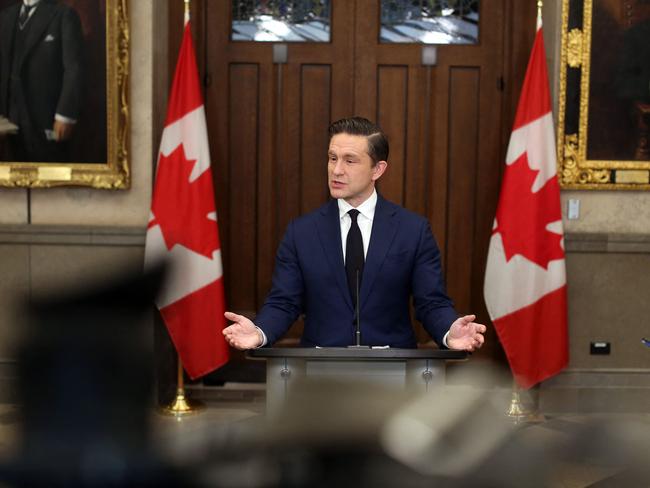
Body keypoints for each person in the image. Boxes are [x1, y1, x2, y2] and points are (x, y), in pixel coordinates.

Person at [223, 117, 485, 352]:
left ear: (378, 170)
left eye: (349, 160)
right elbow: (284, 302)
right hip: (320, 374)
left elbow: (431, 302)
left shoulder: (412, 230)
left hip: (392, 374)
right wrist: (258, 332)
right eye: (332, 158)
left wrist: (451, 333)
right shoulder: (301, 232)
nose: (336, 170)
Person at [0, 0, 83, 162]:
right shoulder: (5, 17)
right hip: (8, 117)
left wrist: (65, 116)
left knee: (48, 175)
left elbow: (74, 69)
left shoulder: (63, 15)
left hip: (46, 118)